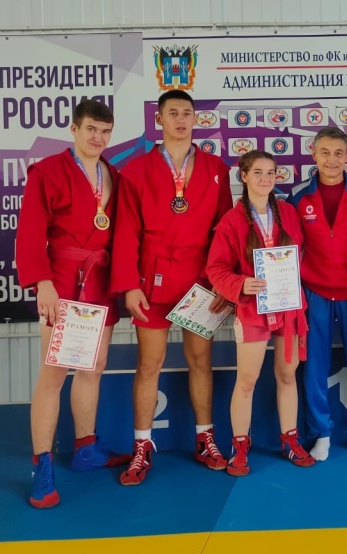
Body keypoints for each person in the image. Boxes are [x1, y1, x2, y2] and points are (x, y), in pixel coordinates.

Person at [110, 90, 233, 485]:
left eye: (187, 113)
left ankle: (205, 438)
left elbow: (225, 231)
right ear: (159, 120)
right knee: (150, 364)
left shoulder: (216, 168)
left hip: (200, 282)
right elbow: (126, 232)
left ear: (196, 119)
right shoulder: (136, 170)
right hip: (152, 280)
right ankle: (141, 445)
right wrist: (130, 285)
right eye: (173, 113)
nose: (181, 119)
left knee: (200, 361)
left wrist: (221, 280)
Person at [16, 99, 131, 508]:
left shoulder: (114, 175)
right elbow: (30, 231)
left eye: (105, 131)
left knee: (92, 368)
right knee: (53, 374)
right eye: (91, 129)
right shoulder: (47, 171)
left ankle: (85, 448)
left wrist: (125, 284)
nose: (98, 138)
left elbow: (123, 234)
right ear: (74, 129)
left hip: (100, 281)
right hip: (63, 280)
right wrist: (42, 282)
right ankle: (42, 465)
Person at [206, 150, 314, 475]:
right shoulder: (232, 220)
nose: (266, 179)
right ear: (244, 176)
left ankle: (290, 440)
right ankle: (240, 445)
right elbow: (216, 268)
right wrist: (241, 283)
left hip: (288, 306)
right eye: (258, 172)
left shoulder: (289, 213)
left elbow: (301, 252)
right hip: (252, 309)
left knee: (287, 375)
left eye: (271, 173)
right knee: (247, 379)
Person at [288, 127, 347, 461]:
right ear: (313, 154)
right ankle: (321, 434)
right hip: (315, 293)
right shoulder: (297, 196)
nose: (331, 159)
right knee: (314, 366)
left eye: (338, 153)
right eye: (324, 152)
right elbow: (289, 247)